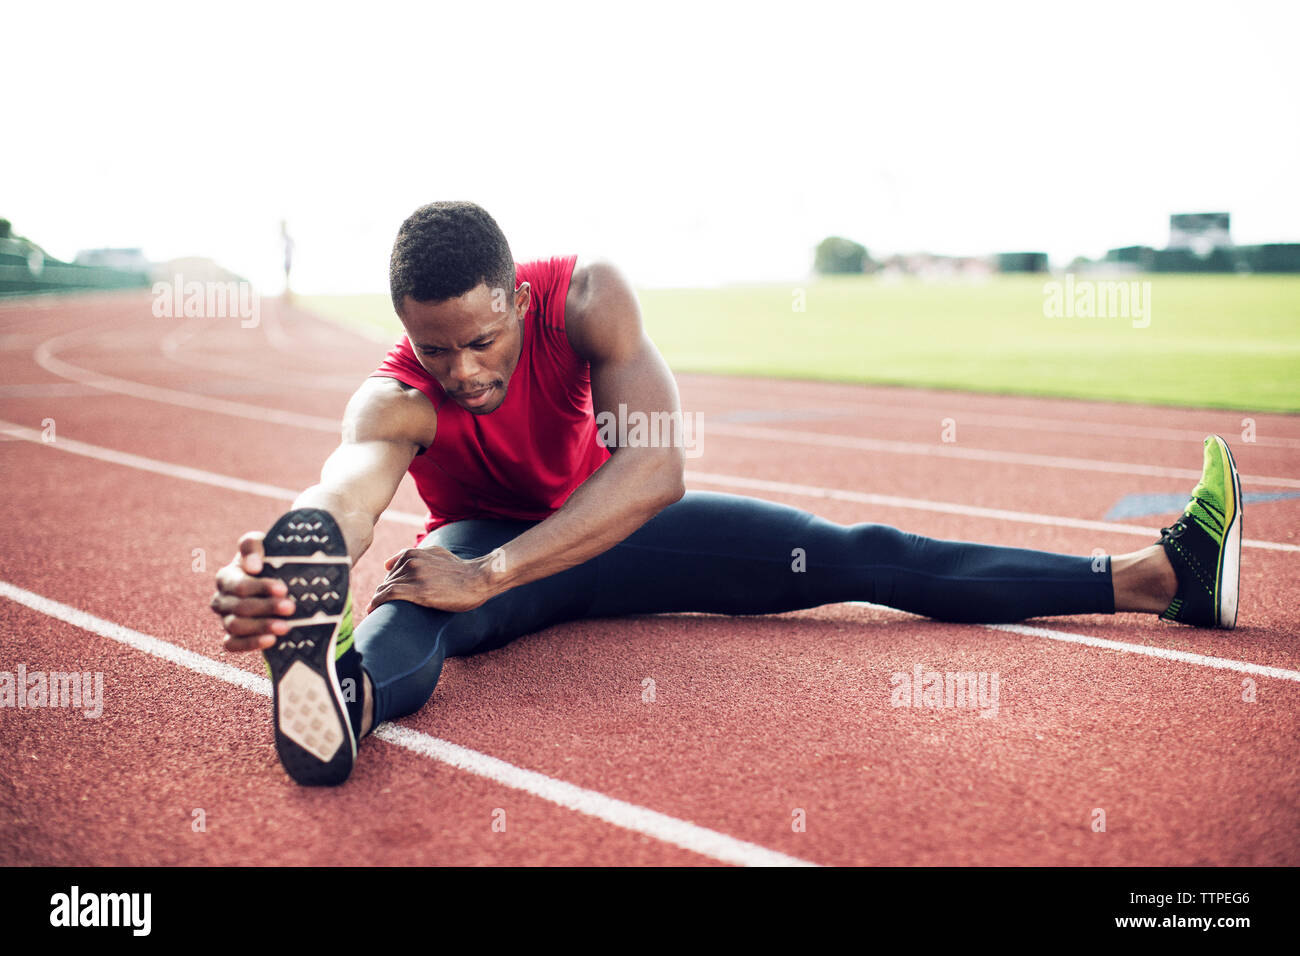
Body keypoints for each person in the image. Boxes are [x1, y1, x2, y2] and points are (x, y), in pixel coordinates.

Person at [210, 201, 1243, 786]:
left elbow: (656, 468)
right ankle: (342, 699)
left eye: (482, 340)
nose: (464, 371)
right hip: (481, 545)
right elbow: (344, 497)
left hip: (603, 525)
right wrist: (283, 565)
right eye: (436, 350)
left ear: (519, 299)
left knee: (856, 550)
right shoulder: (394, 397)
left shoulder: (587, 296)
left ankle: (1161, 575)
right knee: (409, 604)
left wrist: (494, 571)